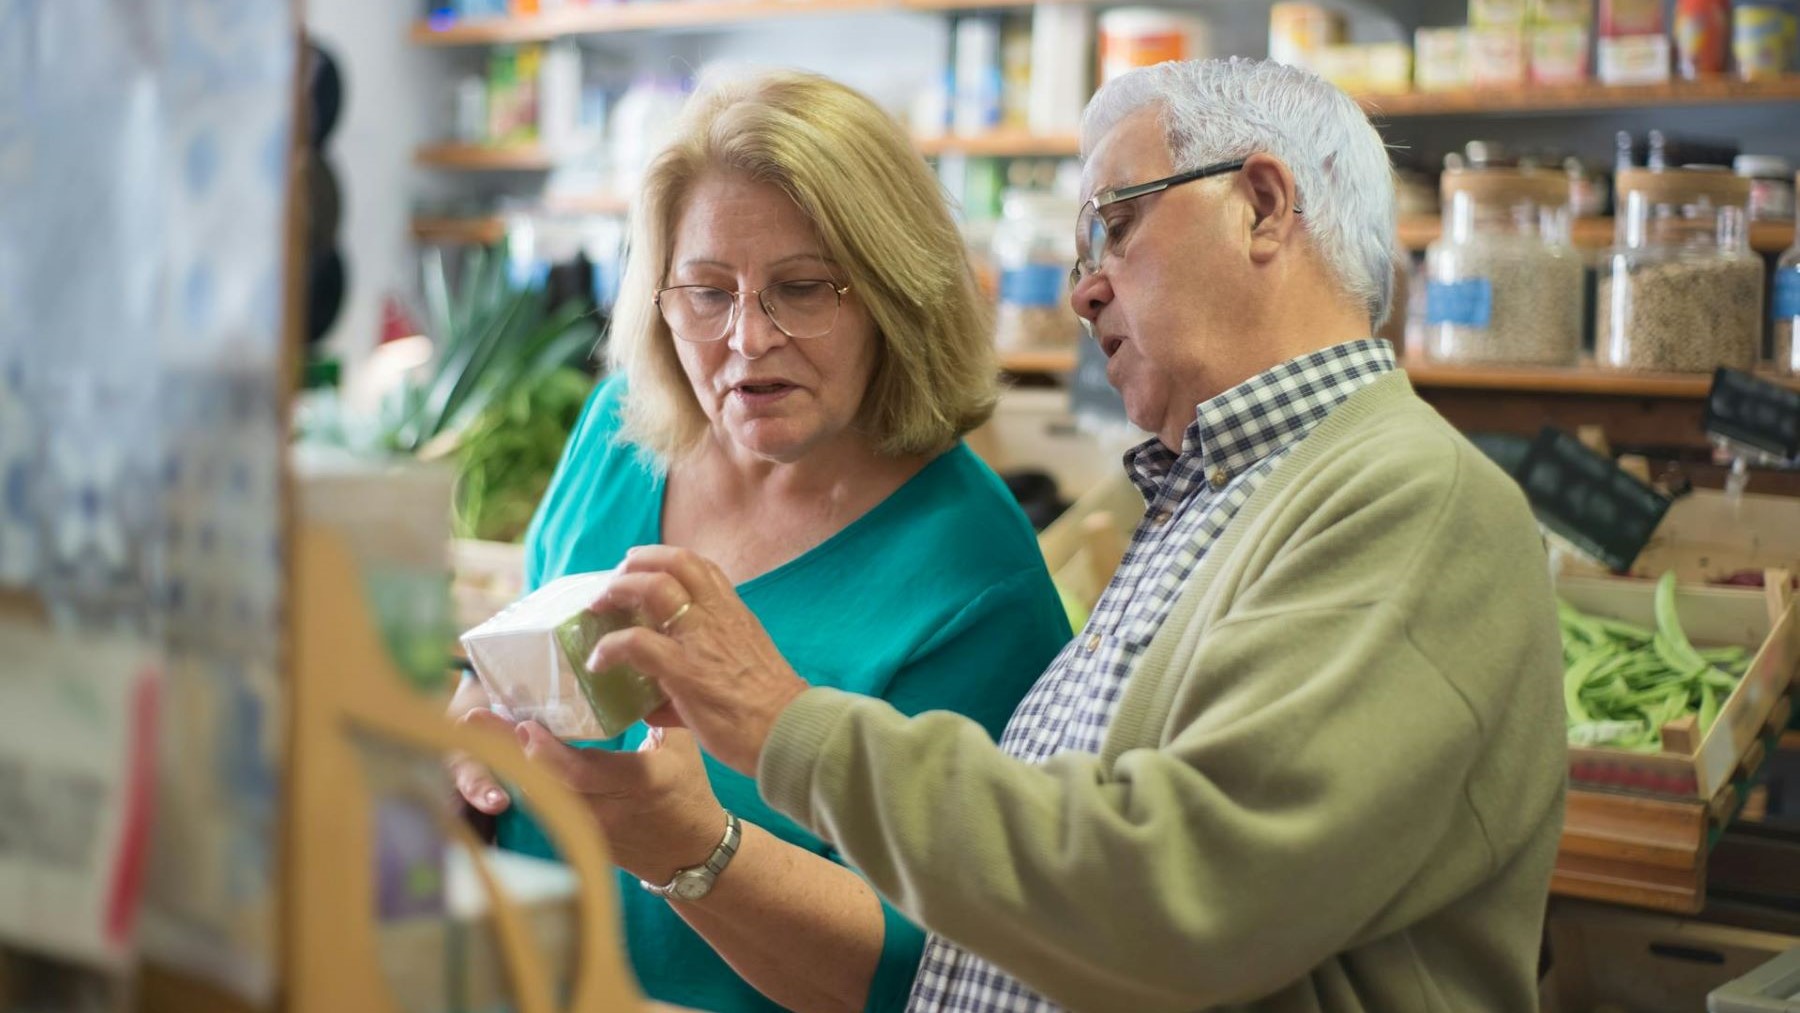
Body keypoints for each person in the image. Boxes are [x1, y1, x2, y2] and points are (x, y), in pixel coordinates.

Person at [587, 58, 1568, 1011]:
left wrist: (783, 723)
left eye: (1114, 225)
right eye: (708, 292)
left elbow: (1184, 894)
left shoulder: (1410, 499)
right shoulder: (1229, 492)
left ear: (1263, 206)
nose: (1083, 289)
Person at [446, 69, 1073, 1013]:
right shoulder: (620, 433)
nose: (746, 338)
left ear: (898, 296)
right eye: (705, 291)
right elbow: (518, 654)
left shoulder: (978, 584)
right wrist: (472, 718)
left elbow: (939, 972)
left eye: (802, 288)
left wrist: (695, 853)